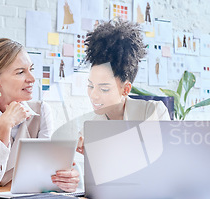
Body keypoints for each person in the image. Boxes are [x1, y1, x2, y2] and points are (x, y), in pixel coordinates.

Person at [0, 38, 80, 192]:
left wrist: (67, 179)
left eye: (31, 69)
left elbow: (44, 173)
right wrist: (4, 125)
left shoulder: (41, 111)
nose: (32, 79)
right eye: (21, 72)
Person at [71, 20, 170, 154]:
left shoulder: (152, 113)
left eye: (104, 89)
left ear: (126, 89)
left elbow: (164, 161)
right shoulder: (88, 130)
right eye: (90, 85)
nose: (93, 95)